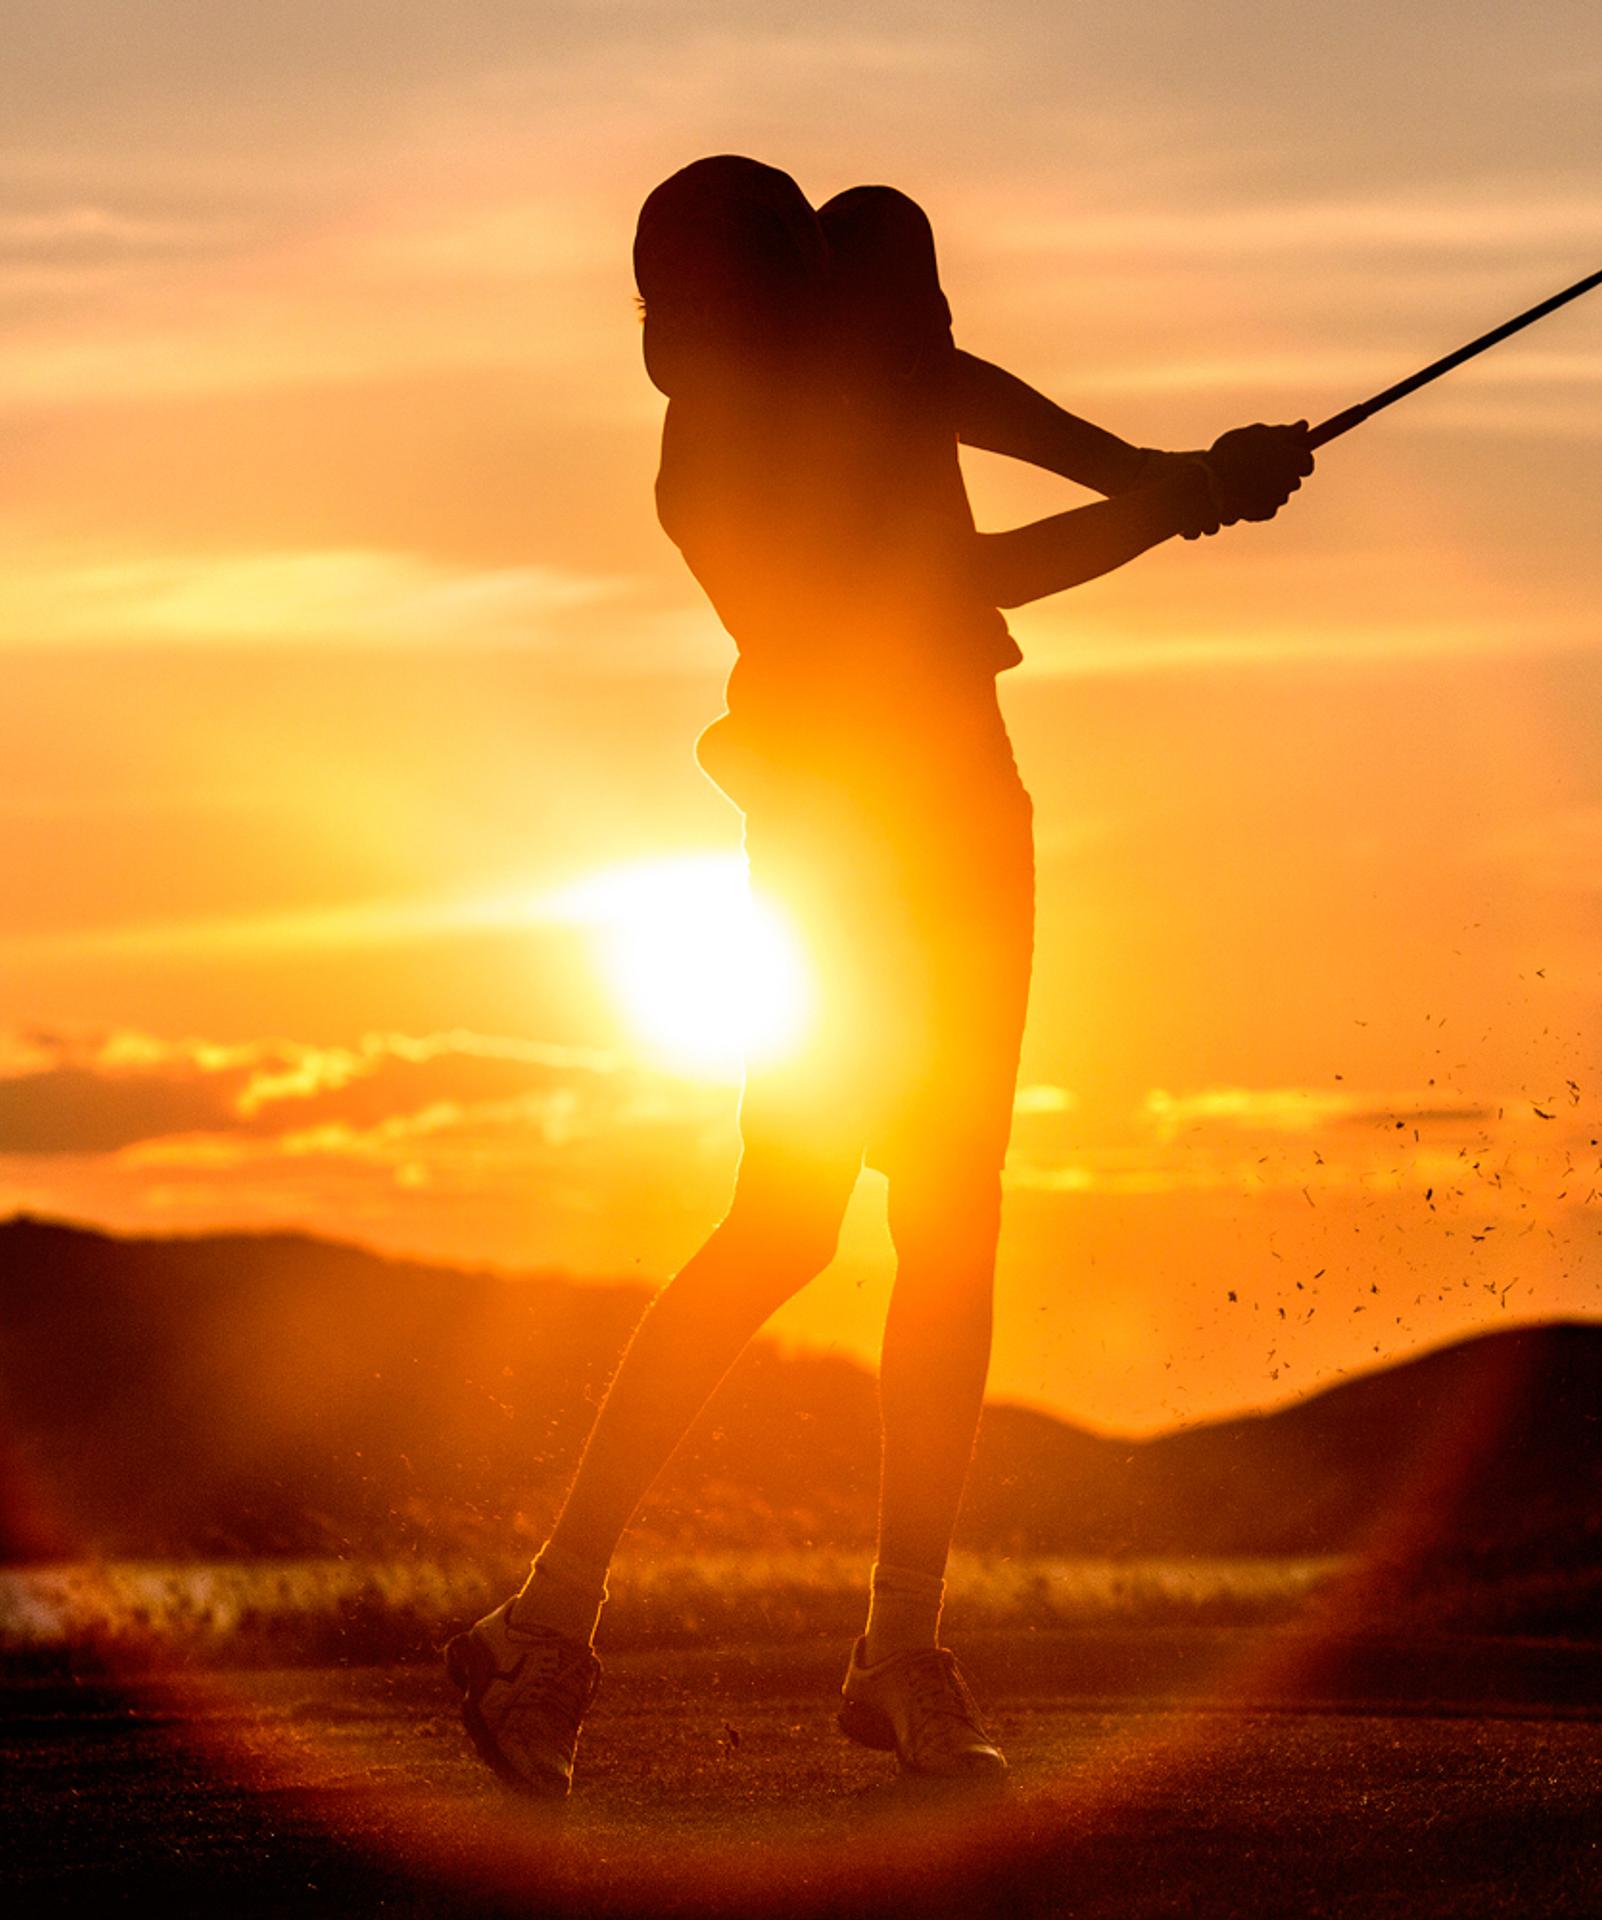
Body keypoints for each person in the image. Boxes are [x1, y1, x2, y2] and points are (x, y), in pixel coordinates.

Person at [444, 155, 1310, 1799]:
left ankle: (898, 1653)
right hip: (839, 838)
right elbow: (948, 585)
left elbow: (947, 385)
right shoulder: (708, 469)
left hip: (971, 809)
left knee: (954, 1218)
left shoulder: (852, 355)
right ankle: (543, 1628)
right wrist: (1167, 499)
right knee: (787, 1220)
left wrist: (1164, 471)